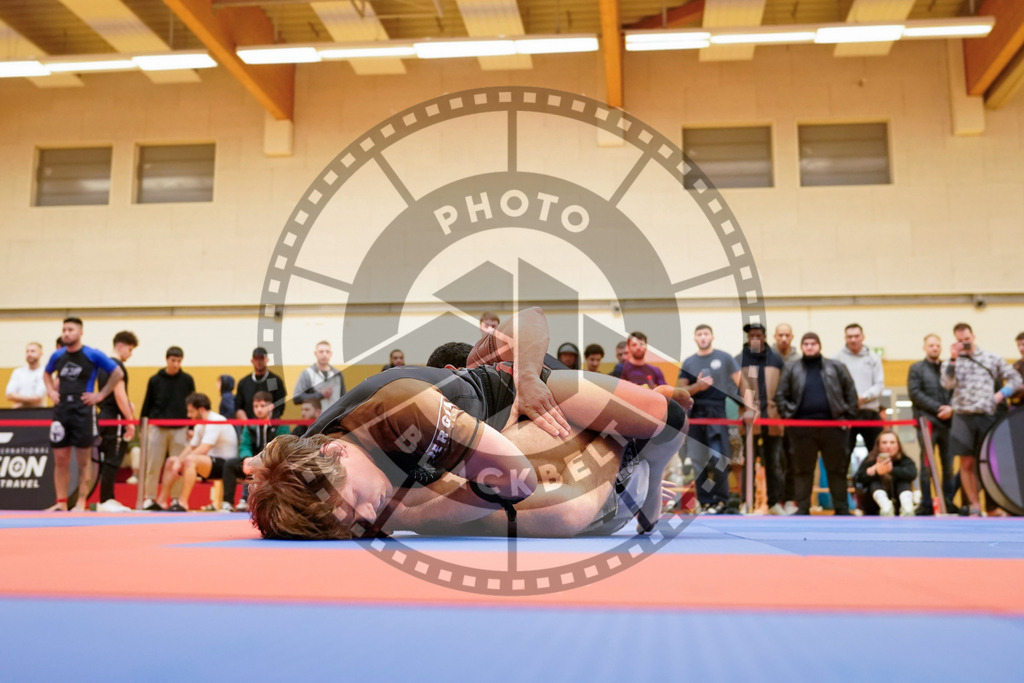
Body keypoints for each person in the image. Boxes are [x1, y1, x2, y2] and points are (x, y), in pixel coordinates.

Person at [245, 307, 690, 540]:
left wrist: (407, 515)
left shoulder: (413, 406)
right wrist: (264, 474)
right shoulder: (312, 464)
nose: (366, 517)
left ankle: (647, 467)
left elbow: (516, 479)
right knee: (560, 510)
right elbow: (277, 471)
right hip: (490, 442)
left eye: (358, 501)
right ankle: (636, 465)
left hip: (529, 397)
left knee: (661, 416)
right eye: (349, 525)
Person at [42, 318, 124, 511]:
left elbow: (117, 373)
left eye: (70, 329)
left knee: (83, 461)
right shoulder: (58, 356)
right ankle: (61, 503)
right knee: (60, 459)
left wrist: (101, 395)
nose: (66, 333)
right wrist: (51, 391)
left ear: (80, 332)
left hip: (83, 409)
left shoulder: (92, 354)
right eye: (64, 329)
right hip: (62, 410)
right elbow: (46, 374)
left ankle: (80, 501)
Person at [941, 323, 1022, 516]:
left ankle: (993, 506)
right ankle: (975, 505)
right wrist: (953, 358)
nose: (964, 344)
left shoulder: (991, 358)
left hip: (987, 415)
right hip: (962, 416)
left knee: (990, 462)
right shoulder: (951, 361)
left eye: (967, 340)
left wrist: (1001, 394)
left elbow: (1016, 379)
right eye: (960, 341)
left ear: (973, 336)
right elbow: (946, 384)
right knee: (966, 463)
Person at [775, 332, 858, 515]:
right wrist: (789, 416)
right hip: (801, 428)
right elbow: (781, 395)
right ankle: (803, 507)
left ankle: (842, 508)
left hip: (833, 427)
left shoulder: (836, 367)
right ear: (802, 346)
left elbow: (851, 393)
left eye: (813, 343)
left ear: (819, 345)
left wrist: (847, 417)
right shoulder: (791, 368)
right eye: (806, 344)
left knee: (837, 469)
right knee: (802, 469)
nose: (810, 346)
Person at [677, 324, 741, 514]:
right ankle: (705, 502)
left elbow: (741, 386)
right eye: (699, 334)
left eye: (706, 334)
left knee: (718, 458)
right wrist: (698, 387)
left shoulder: (725, 358)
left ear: (712, 337)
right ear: (695, 338)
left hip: (717, 413)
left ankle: (721, 501)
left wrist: (747, 409)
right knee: (698, 460)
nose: (703, 337)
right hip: (695, 415)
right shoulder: (689, 362)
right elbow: (682, 392)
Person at [156, 393, 239, 511]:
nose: (188, 415)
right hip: (210, 462)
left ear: (201, 409)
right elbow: (192, 446)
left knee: (190, 460)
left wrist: (182, 462)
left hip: (225, 465)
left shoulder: (215, 420)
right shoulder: (200, 423)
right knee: (171, 461)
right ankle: (162, 501)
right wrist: (178, 461)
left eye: (191, 411)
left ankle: (183, 502)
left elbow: (204, 448)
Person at [736, 323, 785, 515]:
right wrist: (745, 406)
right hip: (748, 420)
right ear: (748, 339)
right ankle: (745, 502)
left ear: (764, 337)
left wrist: (780, 408)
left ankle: (774, 503)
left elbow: (784, 387)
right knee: (746, 462)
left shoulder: (776, 360)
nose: (755, 339)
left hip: (772, 418)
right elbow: (732, 388)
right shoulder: (738, 360)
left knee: (774, 463)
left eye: (758, 336)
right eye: (751, 336)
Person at [139, 347, 195, 511]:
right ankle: (149, 498)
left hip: (180, 428)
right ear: (167, 360)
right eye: (173, 360)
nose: (176, 364)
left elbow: (192, 405)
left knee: (177, 465)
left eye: (179, 361)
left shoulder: (187, 380)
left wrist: (191, 426)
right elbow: (147, 403)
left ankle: (175, 499)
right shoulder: (155, 380)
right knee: (153, 464)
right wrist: (143, 427)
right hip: (157, 427)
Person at [907, 334, 954, 515]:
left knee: (948, 465)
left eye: (937, 345)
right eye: (931, 345)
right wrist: (938, 408)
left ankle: (948, 502)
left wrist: (950, 408)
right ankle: (926, 503)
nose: (934, 348)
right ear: (924, 347)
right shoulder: (916, 369)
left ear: (940, 348)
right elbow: (915, 393)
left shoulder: (948, 368)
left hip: (948, 423)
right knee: (926, 465)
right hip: (927, 424)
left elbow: (954, 390)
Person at [222, 392, 290, 512]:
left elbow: (280, 448)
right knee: (230, 465)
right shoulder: (249, 426)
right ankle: (227, 502)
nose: (258, 410)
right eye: (256, 406)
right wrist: (247, 458)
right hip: (251, 461)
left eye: (262, 406)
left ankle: (248, 498)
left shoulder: (281, 426)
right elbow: (244, 445)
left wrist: (261, 459)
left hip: (271, 461)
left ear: (271, 407)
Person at [95, 331, 138, 513]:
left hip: (104, 414)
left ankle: (106, 498)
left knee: (108, 458)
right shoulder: (117, 365)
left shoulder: (102, 367)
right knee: (114, 457)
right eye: (130, 349)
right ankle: (106, 499)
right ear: (120, 346)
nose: (130, 354)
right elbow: (119, 394)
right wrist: (130, 420)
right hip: (115, 417)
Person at [833, 324, 885, 463]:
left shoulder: (873, 358)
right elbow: (833, 386)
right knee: (842, 455)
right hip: (846, 414)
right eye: (850, 337)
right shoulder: (836, 358)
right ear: (845, 338)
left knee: (878, 454)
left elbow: (879, 384)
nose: (853, 340)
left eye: (856, 336)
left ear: (863, 337)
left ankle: (877, 485)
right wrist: (849, 401)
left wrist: (864, 398)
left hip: (870, 412)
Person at [854, 431, 917, 516]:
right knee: (875, 482)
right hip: (873, 508)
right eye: (884, 443)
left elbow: (912, 474)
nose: (888, 446)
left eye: (892, 442)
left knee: (903, 481)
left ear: (898, 445)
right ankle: (885, 506)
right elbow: (857, 479)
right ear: (878, 445)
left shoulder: (905, 460)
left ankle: (907, 507)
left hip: (899, 507)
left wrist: (890, 470)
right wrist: (875, 471)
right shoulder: (870, 460)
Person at [236, 347, 287, 420]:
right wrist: (248, 425)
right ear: (252, 361)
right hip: (249, 425)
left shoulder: (274, 381)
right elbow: (238, 407)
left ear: (267, 360)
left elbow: (279, 406)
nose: (259, 361)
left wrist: (268, 422)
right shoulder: (244, 383)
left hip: (271, 425)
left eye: (261, 358)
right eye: (256, 358)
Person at [293, 341, 345, 411]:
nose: (324, 355)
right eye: (321, 351)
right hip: (316, 419)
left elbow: (344, 398)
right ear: (315, 353)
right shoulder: (307, 373)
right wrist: (320, 395)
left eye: (327, 352)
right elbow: (297, 398)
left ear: (331, 354)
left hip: (335, 418)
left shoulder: (337, 374)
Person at [6, 342, 47, 408]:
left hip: (38, 414)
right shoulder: (18, 372)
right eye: (27, 351)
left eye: (33, 351)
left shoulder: (45, 372)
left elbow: (37, 398)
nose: (29, 354)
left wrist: (20, 403)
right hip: (18, 414)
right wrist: (30, 400)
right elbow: (9, 395)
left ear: (41, 353)